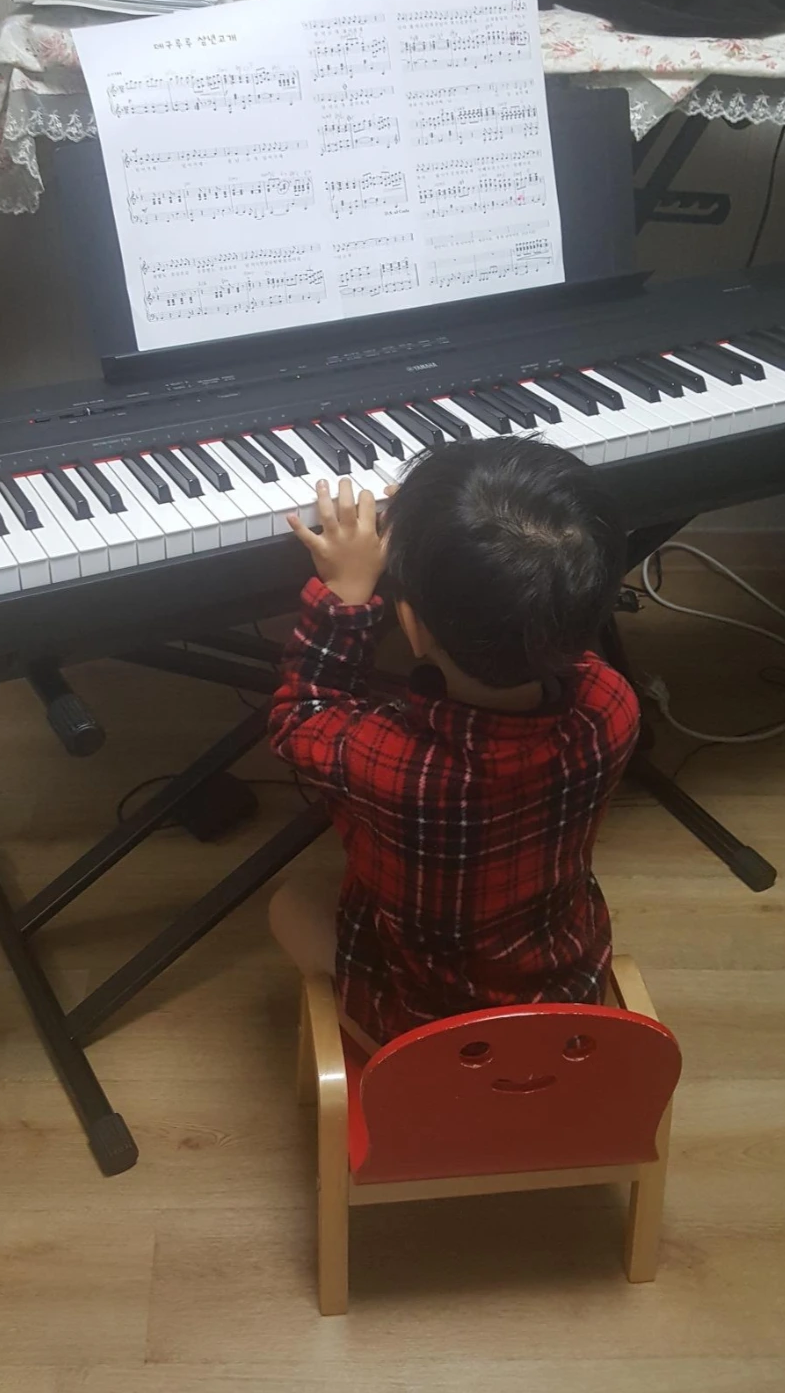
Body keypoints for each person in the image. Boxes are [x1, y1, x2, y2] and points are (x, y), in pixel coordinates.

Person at [267, 436, 639, 1050]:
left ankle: (397, 1059)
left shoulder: (392, 766)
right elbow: (550, 623)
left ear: (410, 626)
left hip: (426, 1030)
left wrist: (348, 596)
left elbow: (300, 718)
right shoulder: (614, 707)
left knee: (289, 902)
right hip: (565, 989)